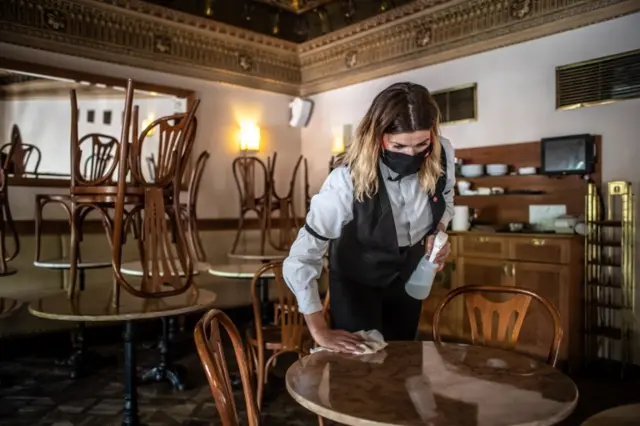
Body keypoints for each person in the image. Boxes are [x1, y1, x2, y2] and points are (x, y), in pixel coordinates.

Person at [283, 82, 455, 352]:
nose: (412, 155)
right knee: (360, 373)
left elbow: (446, 196)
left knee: (402, 364)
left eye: (422, 144)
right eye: (399, 145)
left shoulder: (442, 153)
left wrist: (437, 232)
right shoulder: (345, 181)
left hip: (408, 280)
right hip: (357, 284)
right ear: (378, 136)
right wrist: (318, 329)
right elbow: (302, 257)